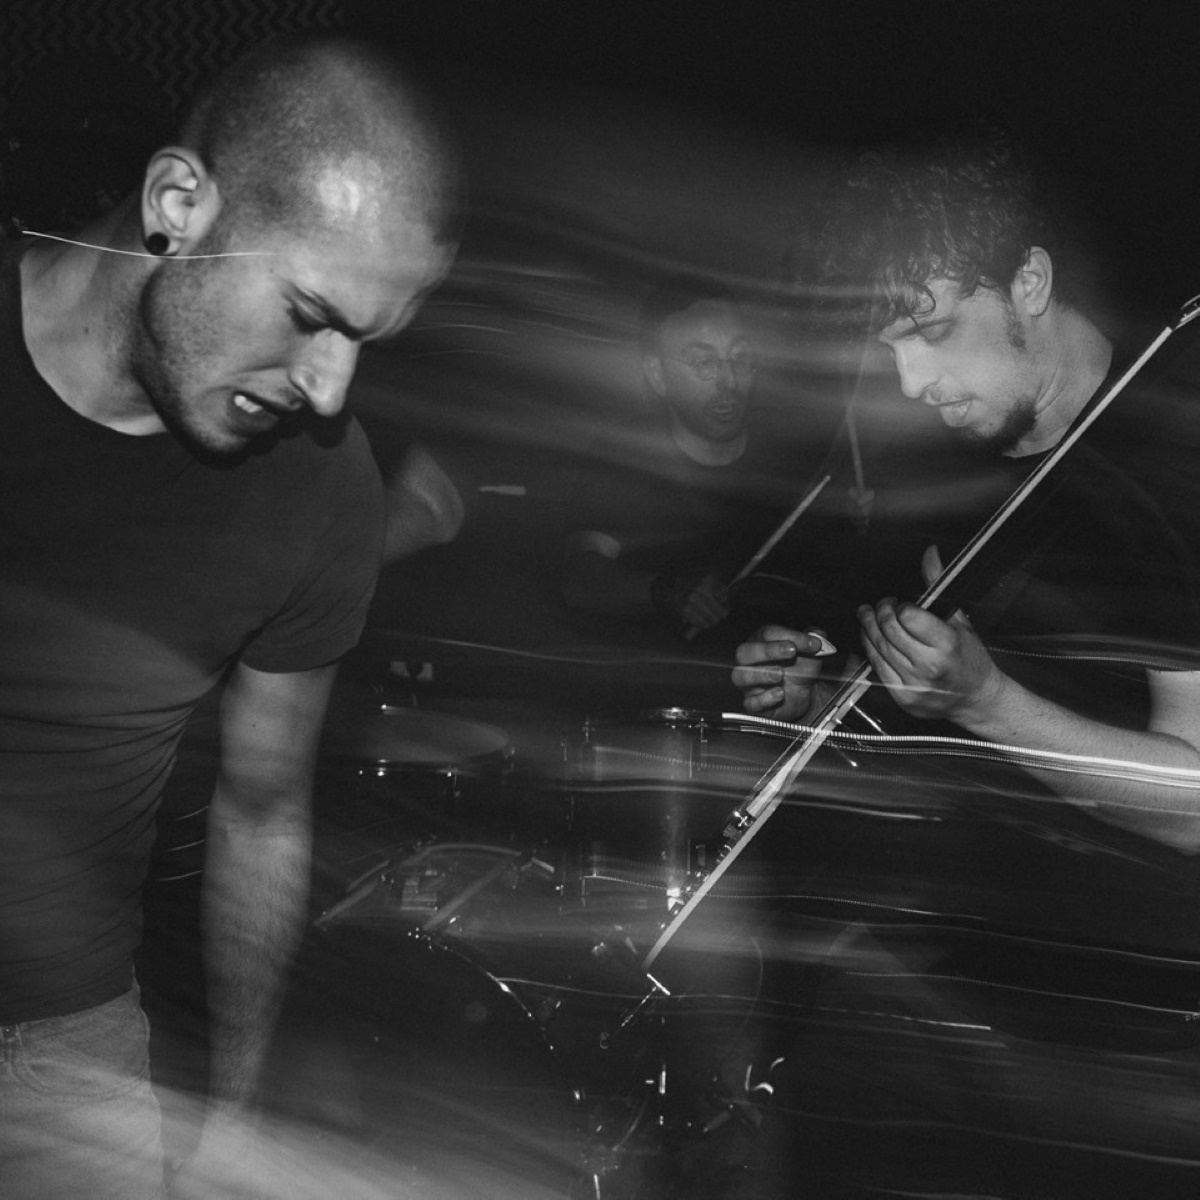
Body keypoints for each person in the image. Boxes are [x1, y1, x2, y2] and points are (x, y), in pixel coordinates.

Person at [0, 34, 458, 1199]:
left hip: (63, 1056)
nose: (329, 387)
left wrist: (234, 1123)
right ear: (177, 204)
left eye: (364, 342)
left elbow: (262, 808)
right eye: (308, 312)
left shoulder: (321, 489)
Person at [562, 274, 799, 642]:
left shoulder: (786, 456)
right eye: (703, 362)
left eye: (740, 357)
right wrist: (666, 592)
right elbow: (581, 578)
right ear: (658, 375)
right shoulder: (628, 455)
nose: (728, 381)